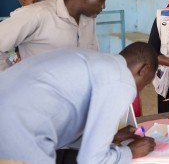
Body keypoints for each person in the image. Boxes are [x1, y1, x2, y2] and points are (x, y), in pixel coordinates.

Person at [0, 42, 157, 164]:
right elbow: (91, 160)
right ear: (143, 69)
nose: (138, 91)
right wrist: (130, 152)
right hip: (16, 141)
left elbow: (64, 119)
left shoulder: (92, 59)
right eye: (144, 84)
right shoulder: (122, 79)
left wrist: (110, 138)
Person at [0, 0, 110, 70]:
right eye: (101, 0)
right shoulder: (37, 14)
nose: (103, 6)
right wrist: (12, 72)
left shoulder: (88, 18)